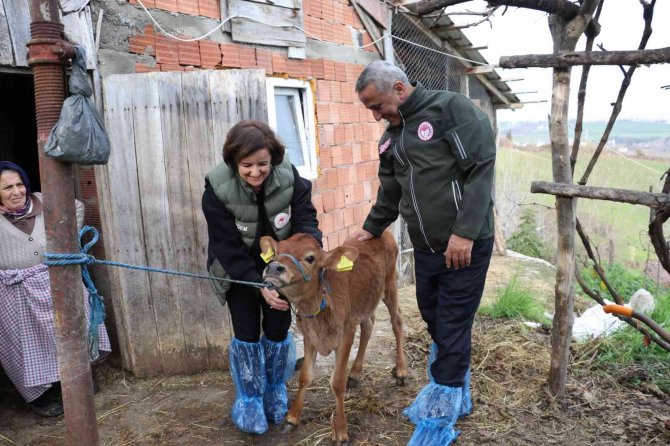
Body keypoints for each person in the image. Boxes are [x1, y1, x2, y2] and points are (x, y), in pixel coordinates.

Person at [353, 60, 496, 445]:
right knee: (435, 319)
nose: (375, 115)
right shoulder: (392, 137)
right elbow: (390, 192)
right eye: (370, 110)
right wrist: (368, 230)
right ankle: (456, 395)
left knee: (450, 327)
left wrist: (465, 233)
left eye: (377, 106)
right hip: (428, 248)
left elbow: (481, 169)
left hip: (464, 246)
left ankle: (437, 421)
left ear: (399, 89)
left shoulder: (450, 110)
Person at [201, 120, 322, 435]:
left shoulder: (290, 178)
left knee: (278, 329)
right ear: (234, 162)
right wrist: (257, 284)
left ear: (274, 159)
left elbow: (306, 218)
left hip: (281, 266)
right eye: (247, 165)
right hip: (238, 270)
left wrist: (309, 249)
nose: (256, 172)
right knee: (247, 332)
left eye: (263, 164)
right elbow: (225, 246)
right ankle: (250, 399)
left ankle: (274, 390)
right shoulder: (216, 190)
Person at [0, 161, 111, 417]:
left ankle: (76, 379)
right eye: (7, 188)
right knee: (26, 343)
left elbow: (76, 206)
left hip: (56, 279)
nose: (16, 192)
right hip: (15, 289)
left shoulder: (43, 202)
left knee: (71, 329)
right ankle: (41, 396)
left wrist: (65, 240)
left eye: (19, 184)